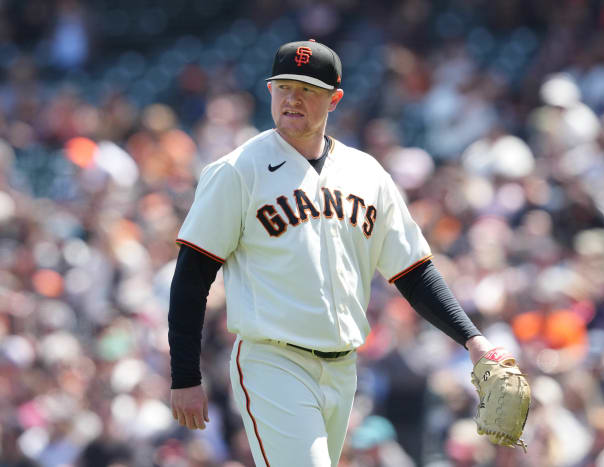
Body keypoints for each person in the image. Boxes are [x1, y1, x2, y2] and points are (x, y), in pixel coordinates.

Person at [168, 39, 495, 467]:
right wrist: (185, 376)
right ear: (269, 91)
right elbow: (192, 276)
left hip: (343, 368)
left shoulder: (366, 173)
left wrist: (472, 338)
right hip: (273, 362)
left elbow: (413, 271)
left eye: (307, 89)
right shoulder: (237, 171)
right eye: (283, 86)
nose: (292, 98)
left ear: (334, 99)